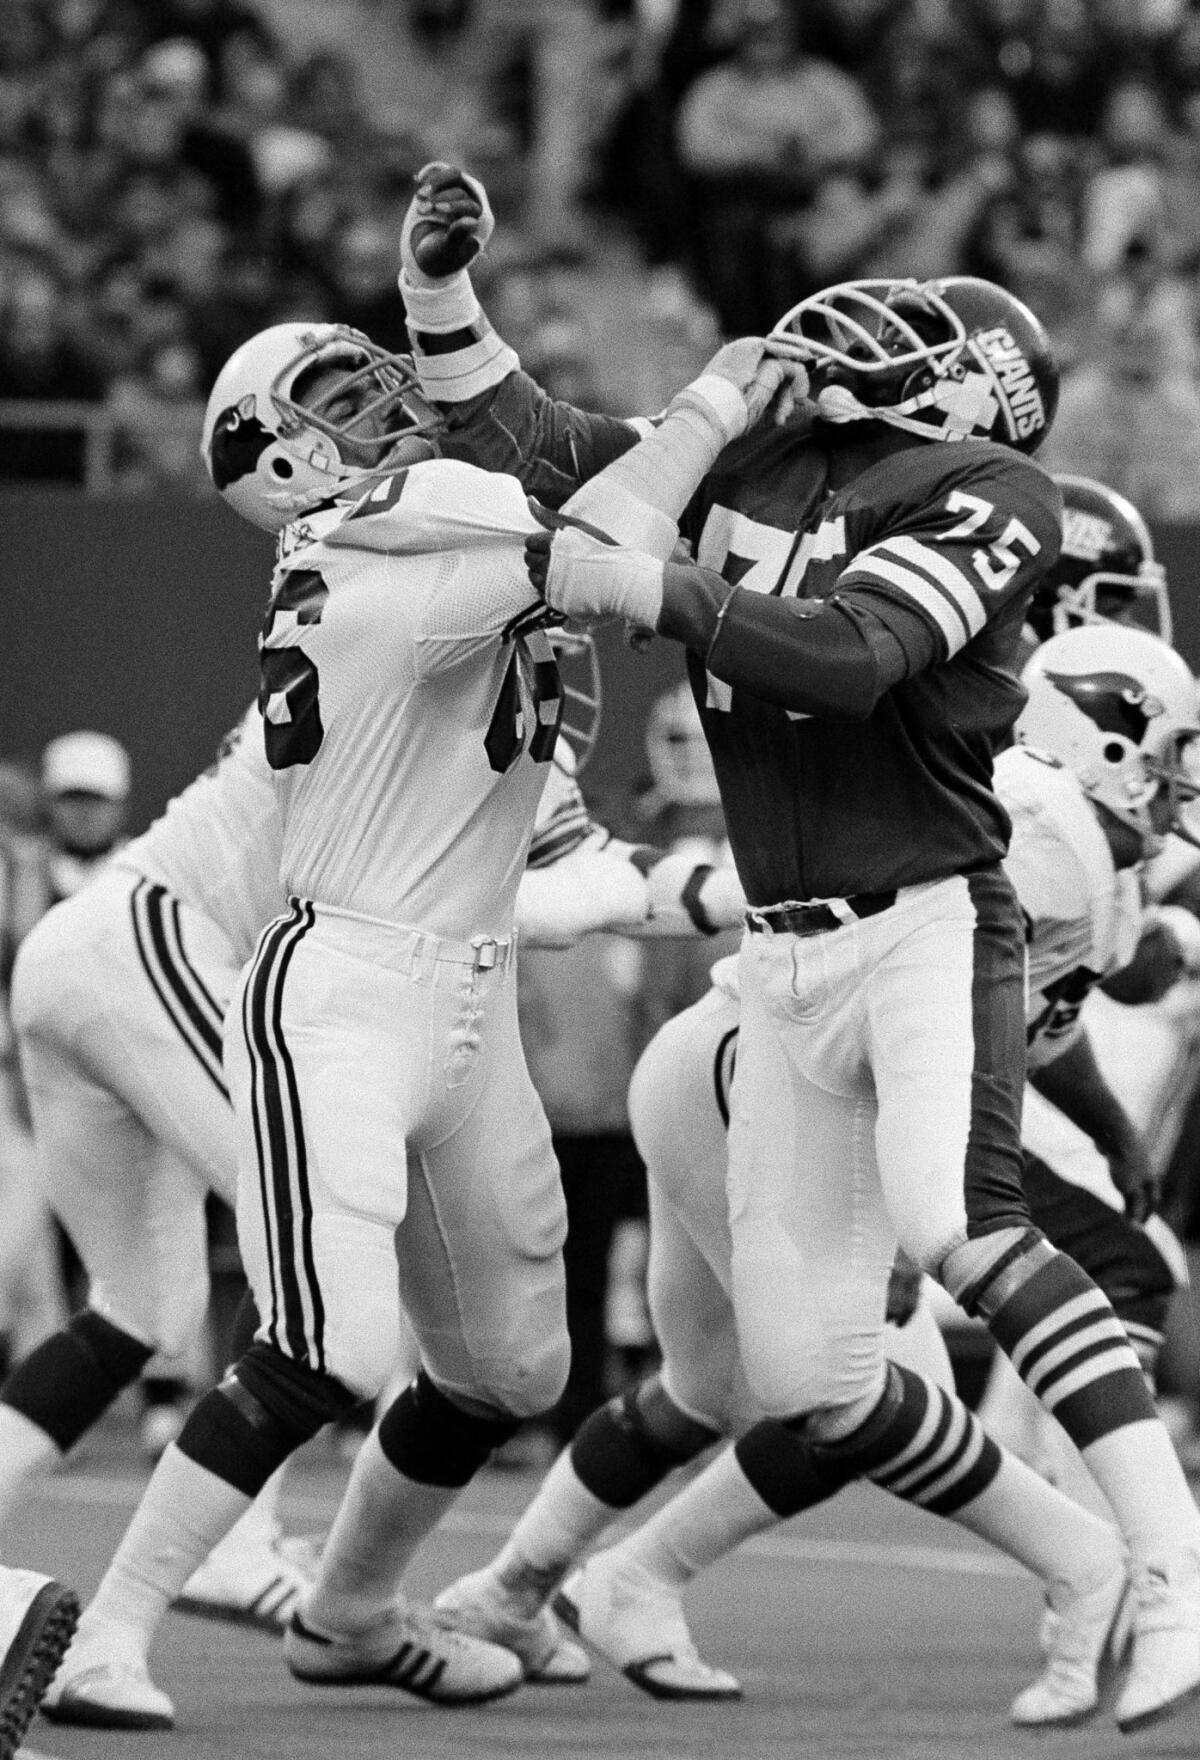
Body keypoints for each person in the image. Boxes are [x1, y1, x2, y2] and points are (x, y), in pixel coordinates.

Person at [397, 162, 1200, 1733]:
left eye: (914, 328)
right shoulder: (762, 468)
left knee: (959, 1226)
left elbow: (850, 659)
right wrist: (441, 303)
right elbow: (538, 447)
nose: (853, 332)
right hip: (779, 959)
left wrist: (651, 586)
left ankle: (1165, 1568)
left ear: (979, 393)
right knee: (813, 1376)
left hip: (921, 923)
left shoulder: (993, 493)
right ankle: (1069, 1562)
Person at [42, 311, 802, 1726]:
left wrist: (768, 894)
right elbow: (599, 539)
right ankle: (109, 1630)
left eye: (373, 373)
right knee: (333, 1344)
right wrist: (712, 401)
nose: (386, 400)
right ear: (277, 461)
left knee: (513, 1366)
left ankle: (344, 1613)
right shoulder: (375, 558)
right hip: (340, 988)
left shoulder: (429, 559)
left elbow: (574, 878)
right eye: (340, 394)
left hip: (466, 991)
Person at [434, 619, 1200, 1724]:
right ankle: (1091, 1562)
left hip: (719, 1069)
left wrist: (1109, 1127)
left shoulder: (1074, 846)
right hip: (770, 1080)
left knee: (709, 1389)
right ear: (1104, 745)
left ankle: (525, 1587)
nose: (1177, 793)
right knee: (876, 1389)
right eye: (1166, 760)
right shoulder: (1048, 833)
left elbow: (1026, 1018)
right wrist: (886, 1230)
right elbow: (902, 1011)